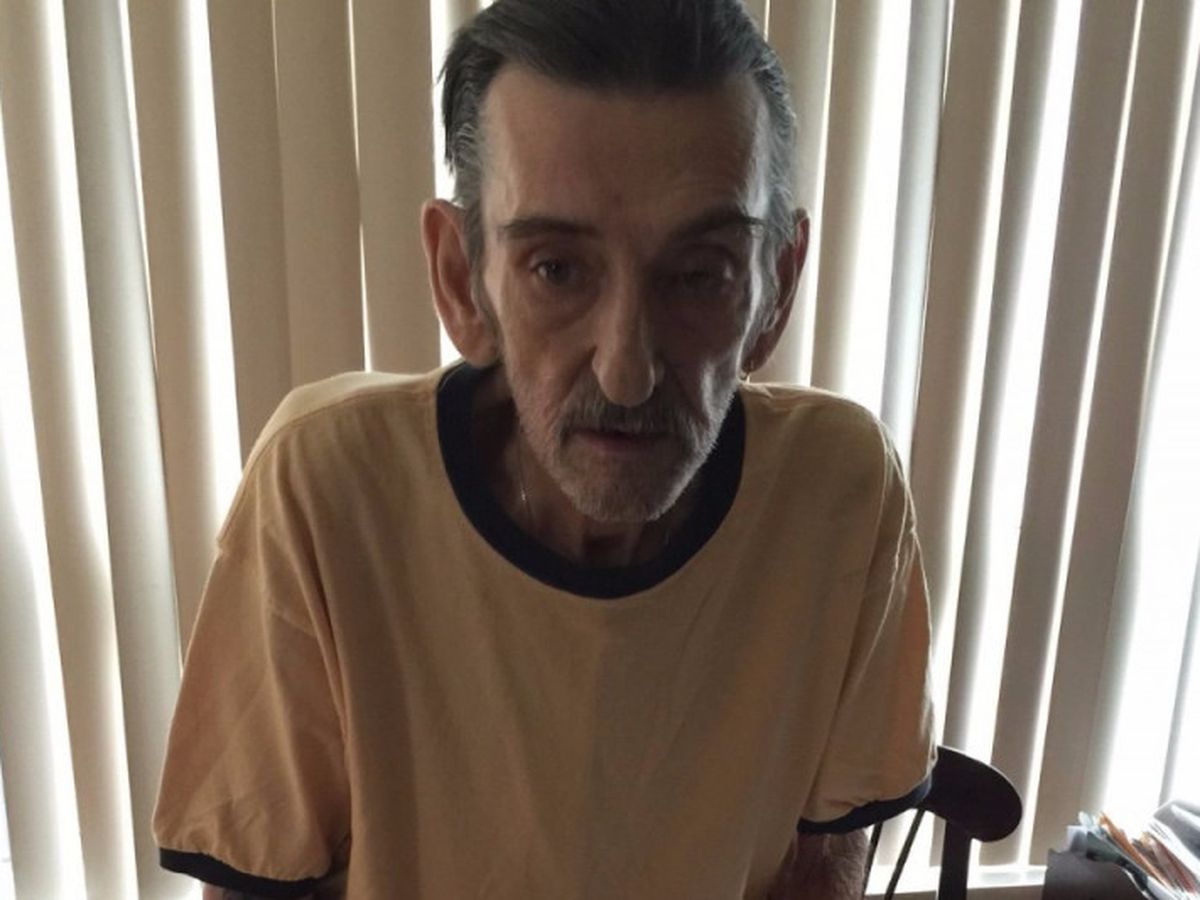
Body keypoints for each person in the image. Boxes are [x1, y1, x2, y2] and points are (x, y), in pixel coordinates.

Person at [152, 1, 935, 897]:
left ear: (776, 289)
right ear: (462, 279)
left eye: (700, 274)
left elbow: (826, 860)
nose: (627, 372)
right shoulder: (326, 491)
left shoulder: (842, 493)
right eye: (556, 269)